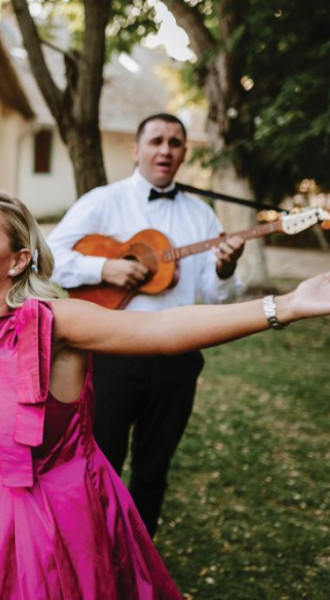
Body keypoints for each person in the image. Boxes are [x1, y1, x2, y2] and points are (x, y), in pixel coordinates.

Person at [0, 189, 330, 599]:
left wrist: (284, 306)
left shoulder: (55, 322)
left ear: (19, 260)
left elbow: (160, 330)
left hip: (62, 508)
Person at [44, 113, 246, 536]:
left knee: (154, 468)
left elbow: (215, 297)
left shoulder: (202, 216)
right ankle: (94, 550)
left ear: (184, 153)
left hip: (178, 358)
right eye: (156, 141)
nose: (165, 150)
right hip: (111, 355)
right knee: (101, 460)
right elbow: (49, 257)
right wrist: (104, 268)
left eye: (175, 142)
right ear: (137, 150)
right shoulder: (103, 201)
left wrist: (225, 270)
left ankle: (141, 555)